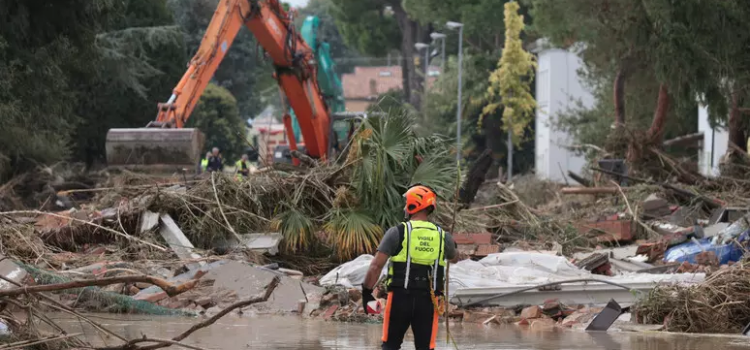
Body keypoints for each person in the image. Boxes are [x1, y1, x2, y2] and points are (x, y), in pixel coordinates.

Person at [361, 185, 458, 350]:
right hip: (429, 302)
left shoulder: (397, 232)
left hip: (400, 299)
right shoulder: (443, 236)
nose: (405, 207)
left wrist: (366, 292)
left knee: (390, 345)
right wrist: (453, 245)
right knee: (425, 347)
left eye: (407, 203)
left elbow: (376, 266)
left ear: (414, 205)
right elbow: (454, 258)